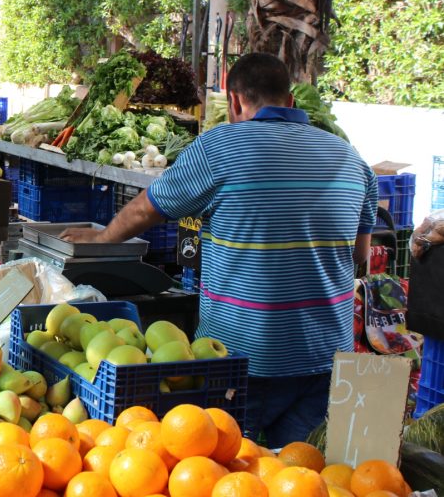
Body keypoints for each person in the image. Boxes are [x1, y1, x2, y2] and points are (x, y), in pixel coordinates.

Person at [59, 52, 377, 447]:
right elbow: (359, 257)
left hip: (242, 360)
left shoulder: (220, 146)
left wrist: (103, 239)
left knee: (231, 468)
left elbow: (149, 206)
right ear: (290, 100)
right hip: (326, 359)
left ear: (235, 102)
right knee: (296, 473)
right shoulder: (352, 159)